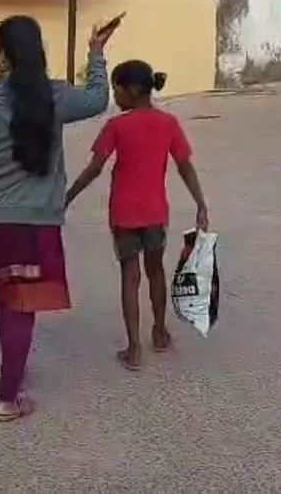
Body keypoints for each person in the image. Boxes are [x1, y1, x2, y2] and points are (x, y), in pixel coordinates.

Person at [0, 14, 119, 422]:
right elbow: (97, 98)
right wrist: (96, 52)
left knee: (4, 295)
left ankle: (12, 370)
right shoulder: (54, 96)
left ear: (1, 54)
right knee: (22, 305)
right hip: (35, 222)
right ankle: (8, 395)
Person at [65, 59, 209, 372]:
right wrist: (201, 203)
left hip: (124, 214)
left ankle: (133, 349)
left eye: (116, 88)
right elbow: (185, 166)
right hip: (155, 212)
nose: (114, 95)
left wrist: (67, 196)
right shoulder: (168, 123)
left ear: (131, 90)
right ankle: (160, 332)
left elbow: (94, 168)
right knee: (155, 271)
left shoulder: (116, 126)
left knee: (130, 278)